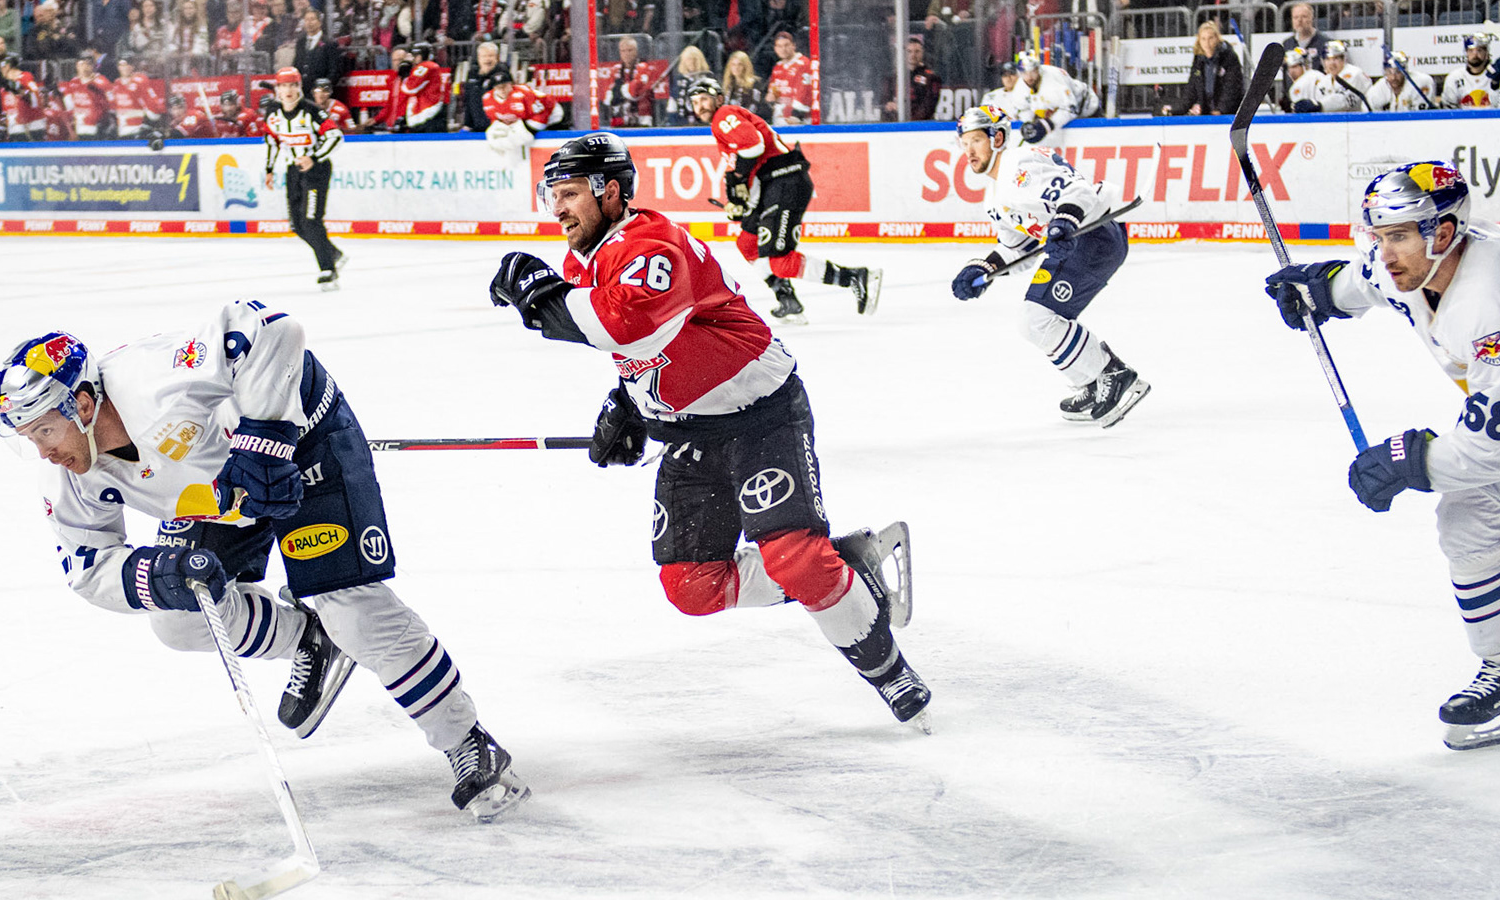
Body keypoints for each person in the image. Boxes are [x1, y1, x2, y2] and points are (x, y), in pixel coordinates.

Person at [0, 316, 529, 819]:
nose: (43, 453)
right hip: (214, 492)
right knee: (179, 619)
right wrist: (157, 575)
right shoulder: (68, 476)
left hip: (300, 444)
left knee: (355, 614)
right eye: (29, 438)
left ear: (84, 405)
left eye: (45, 431)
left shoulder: (154, 378)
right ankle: (308, 640)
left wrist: (265, 439)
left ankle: (468, 742)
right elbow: (88, 566)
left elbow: (269, 328)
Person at [486, 134, 932, 728]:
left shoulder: (653, 245)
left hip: (761, 416)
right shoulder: (585, 259)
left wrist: (540, 300)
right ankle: (844, 567)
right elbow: (643, 349)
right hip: (693, 434)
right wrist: (630, 405)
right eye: (553, 196)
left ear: (609, 191)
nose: (558, 210)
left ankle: (889, 670)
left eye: (569, 194)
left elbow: (626, 325)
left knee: (795, 559)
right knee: (691, 587)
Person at [1261, 163, 1500, 749]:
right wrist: (1321, 294)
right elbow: (1368, 279)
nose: (1385, 251)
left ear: (1443, 233)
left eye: (1397, 236)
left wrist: (1408, 460)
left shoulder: (1490, 303)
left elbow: (1493, 450)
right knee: (1467, 517)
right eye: (1379, 235)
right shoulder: (1418, 259)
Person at [949, 105, 1149, 428]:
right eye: (964, 143)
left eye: (976, 140)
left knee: (1037, 318)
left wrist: (1064, 222)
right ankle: (1091, 381)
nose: (969, 151)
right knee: (1033, 321)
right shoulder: (994, 196)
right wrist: (983, 267)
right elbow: (1019, 246)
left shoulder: (1019, 165)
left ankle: (1113, 374)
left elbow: (1078, 191)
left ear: (997, 138)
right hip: (1076, 243)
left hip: (1094, 237)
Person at [678, 74, 879, 324]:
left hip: (786, 182)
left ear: (719, 99)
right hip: (772, 185)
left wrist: (738, 182)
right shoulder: (721, 127)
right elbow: (744, 167)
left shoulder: (724, 115)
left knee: (780, 262)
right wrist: (738, 202)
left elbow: (753, 147)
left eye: (704, 99)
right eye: (695, 102)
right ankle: (787, 300)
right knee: (748, 244)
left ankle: (855, 277)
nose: (700, 106)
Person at [263, 67, 347, 290]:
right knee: (297, 225)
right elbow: (272, 140)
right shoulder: (273, 113)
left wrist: (314, 158)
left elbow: (335, 136)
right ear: (278, 89)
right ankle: (331, 252)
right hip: (293, 170)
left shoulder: (311, 111)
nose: (288, 90)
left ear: (299, 87)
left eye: (293, 85)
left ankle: (328, 270)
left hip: (316, 170)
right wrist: (269, 169)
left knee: (311, 220)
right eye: (284, 86)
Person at [1012, 51, 1098, 144]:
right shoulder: (1020, 87)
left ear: (1038, 69)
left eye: (1032, 71)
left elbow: (1070, 110)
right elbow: (1022, 108)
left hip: (1086, 108)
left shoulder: (1054, 81)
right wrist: (1029, 123)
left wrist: (1046, 125)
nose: (1029, 77)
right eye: (1024, 72)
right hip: (1057, 113)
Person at [1166, 19, 1244, 115]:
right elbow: (1191, 89)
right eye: (1203, 39)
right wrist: (1176, 110)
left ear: (1217, 38)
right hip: (1208, 113)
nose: (1207, 42)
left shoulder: (1229, 57)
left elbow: (1231, 87)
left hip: (1230, 113)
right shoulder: (1198, 60)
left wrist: (1221, 110)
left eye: (1210, 38)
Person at [380, 44, 450, 132]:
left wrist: (406, 73)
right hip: (427, 114)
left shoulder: (426, 66)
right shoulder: (427, 67)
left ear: (419, 56)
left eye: (412, 56)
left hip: (428, 114)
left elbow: (409, 88)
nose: (411, 59)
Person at [1443, 34, 1500, 108]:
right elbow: (1449, 109)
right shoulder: (1454, 77)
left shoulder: (1496, 75)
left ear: (1486, 53)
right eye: (1471, 50)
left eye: (1479, 50)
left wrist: (1496, 84)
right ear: (1466, 53)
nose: (1475, 54)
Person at [1368, 50, 1438, 110]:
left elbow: (1422, 116)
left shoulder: (1421, 82)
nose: (1393, 77)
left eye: (1398, 72)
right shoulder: (1377, 90)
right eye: (1389, 72)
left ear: (1405, 71)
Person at [1318, 40, 1370, 111]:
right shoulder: (1324, 81)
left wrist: (1319, 105)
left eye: (1336, 58)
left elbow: (1346, 102)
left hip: (1362, 116)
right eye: (1328, 59)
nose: (1331, 63)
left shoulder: (1354, 73)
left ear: (1344, 59)